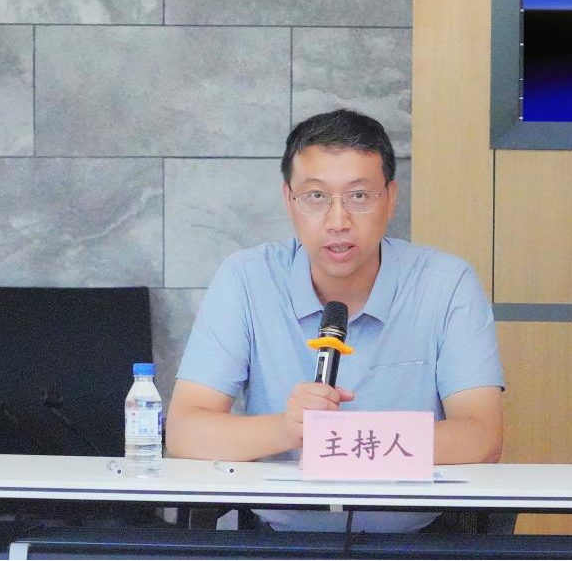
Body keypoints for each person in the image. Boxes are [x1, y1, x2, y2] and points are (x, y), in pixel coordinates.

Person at [166, 109, 505, 533]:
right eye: (316, 196)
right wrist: (288, 430)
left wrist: (338, 443)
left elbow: (482, 436)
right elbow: (184, 431)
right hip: (277, 543)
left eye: (359, 196)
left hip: (417, 543)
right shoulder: (247, 279)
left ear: (391, 198)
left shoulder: (446, 283)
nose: (338, 221)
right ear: (289, 200)